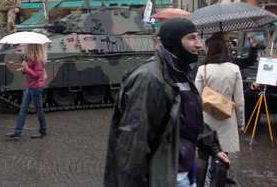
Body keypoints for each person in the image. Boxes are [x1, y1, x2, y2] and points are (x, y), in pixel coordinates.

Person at [104, 18, 204, 187]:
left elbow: (188, 118)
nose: (199, 44)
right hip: (163, 176)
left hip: (182, 169)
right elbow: (133, 142)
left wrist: (211, 144)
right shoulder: (149, 78)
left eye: (198, 37)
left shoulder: (182, 71)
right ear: (174, 41)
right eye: (191, 38)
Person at [195, 36, 245, 186]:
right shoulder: (234, 69)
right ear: (225, 48)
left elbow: (196, 97)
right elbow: (239, 100)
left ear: (210, 49)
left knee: (203, 156)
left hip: (206, 119)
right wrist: (240, 122)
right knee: (222, 158)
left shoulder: (202, 69)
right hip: (227, 119)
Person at [6, 44, 47, 140]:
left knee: (39, 110)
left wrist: (26, 69)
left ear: (33, 47)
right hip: (30, 86)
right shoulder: (30, 58)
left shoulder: (38, 59)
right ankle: (17, 132)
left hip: (36, 87)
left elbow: (37, 75)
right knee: (23, 109)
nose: (26, 47)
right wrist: (24, 69)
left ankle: (43, 131)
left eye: (28, 46)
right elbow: (29, 72)